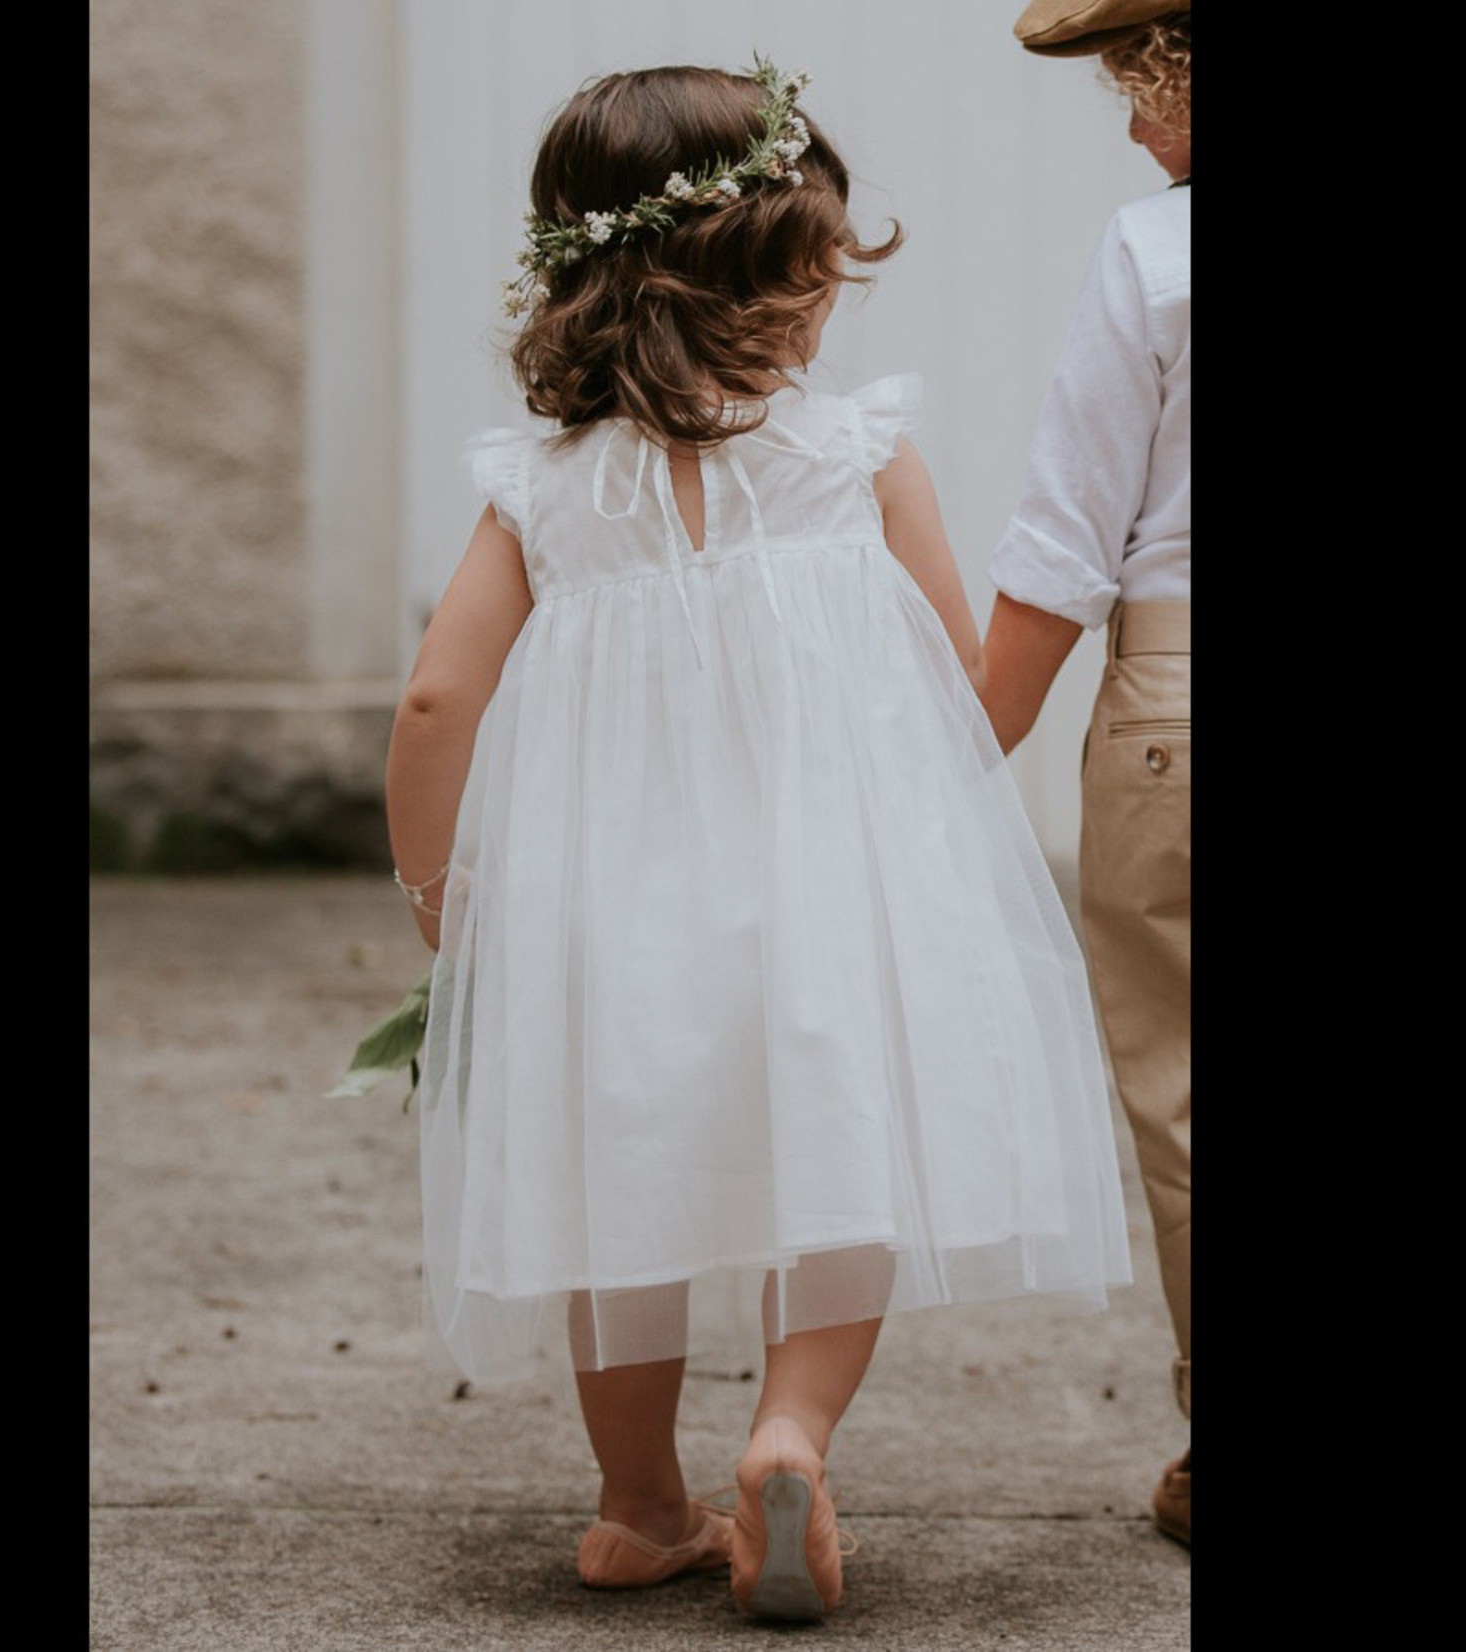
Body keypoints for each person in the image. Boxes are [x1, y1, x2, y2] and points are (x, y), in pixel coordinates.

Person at [385, 57, 1131, 1621]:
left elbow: (436, 703)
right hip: (832, 898)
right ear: (793, 276)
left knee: (614, 1185)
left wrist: (438, 883)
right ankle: (789, 1433)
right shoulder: (854, 457)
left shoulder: (538, 488)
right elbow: (953, 688)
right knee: (842, 1158)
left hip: (608, 909)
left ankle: (637, 1505)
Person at [980, 3, 1191, 1547]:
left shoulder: (1157, 255)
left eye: (1143, 83)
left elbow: (1066, 540)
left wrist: (943, 751)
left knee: (1187, 1079)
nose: (1131, 127)